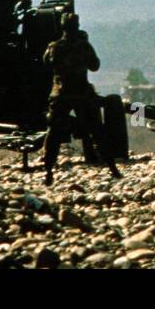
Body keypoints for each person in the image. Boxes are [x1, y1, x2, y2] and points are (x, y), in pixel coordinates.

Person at [41, 12, 120, 185]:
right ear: (77, 26)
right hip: (82, 93)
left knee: (53, 134)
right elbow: (95, 66)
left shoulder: (54, 47)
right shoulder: (83, 46)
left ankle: (48, 172)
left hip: (61, 95)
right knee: (97, 132)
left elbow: (46, 63)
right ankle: (113, 169)